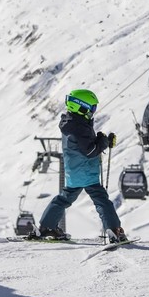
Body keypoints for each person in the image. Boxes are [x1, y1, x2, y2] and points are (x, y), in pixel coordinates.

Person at [30, 89, 128, 243]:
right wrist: (103, 143)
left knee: (63, 199)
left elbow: (85, 145)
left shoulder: (71, 123)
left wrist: (103, 141)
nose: (93, 111)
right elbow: (90, 151)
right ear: (81, 107)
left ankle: (46, 227)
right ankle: (114, 229)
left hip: (74, 171)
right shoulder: (79, 127)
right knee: (102, 200)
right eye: (92, 107)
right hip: (85, 171)